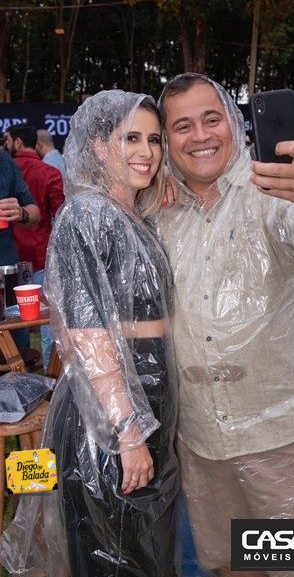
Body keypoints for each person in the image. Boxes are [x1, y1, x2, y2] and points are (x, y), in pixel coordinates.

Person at [156, 73, 294, 577]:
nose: (200, 135)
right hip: (200, 437)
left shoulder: (271, 188)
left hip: (279, 434)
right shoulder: (159, 211)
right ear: (167, 140)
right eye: (182, 126)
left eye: (211, 118)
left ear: (233, 122)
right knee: (229, 566)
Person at [0, 91, 179, 576]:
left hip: (146, 401)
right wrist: (127, 431)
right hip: (108, 418)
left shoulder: (133, 216)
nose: (146, 151)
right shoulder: (86, 216)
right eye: (131, 138)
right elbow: (87, 332)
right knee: (115, 556)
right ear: (99, 145)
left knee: (146, 550)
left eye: (154, 140)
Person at [4, 124, 65, 368]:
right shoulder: (50, 172)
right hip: (39, 255)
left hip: (11, 263)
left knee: (15, 328)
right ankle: (48, 373)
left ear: (17, 142)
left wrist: (20, 213)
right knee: (47, 323)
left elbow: (36, 211)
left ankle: (25, 375)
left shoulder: (7, 165)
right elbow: (60, 215)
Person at [0, 150, 39, 347]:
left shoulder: (4, 162)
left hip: (6, 271)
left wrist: (21, 213)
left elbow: (34, 212)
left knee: (17, 347)